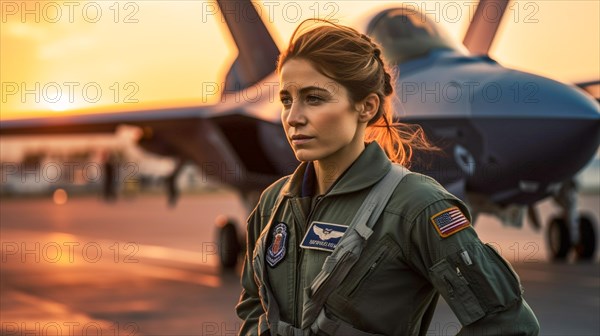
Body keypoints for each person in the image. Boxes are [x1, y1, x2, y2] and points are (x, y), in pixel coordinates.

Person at [236, 19, 539, 336]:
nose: (293, 117)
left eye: (314, 98)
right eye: (286, 100)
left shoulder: (417, 206)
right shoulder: (273, 204)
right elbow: (253, 306)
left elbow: (508, 322)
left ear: (366, 106)